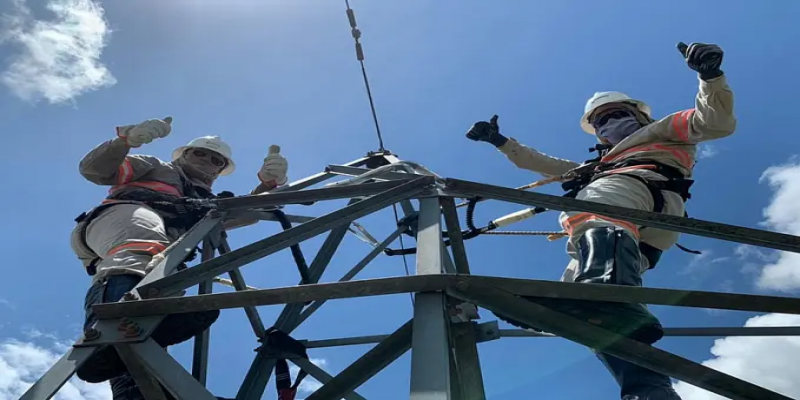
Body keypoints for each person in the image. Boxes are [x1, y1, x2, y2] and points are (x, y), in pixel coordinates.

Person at [464, 42, 735, 400]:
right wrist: (500, 141)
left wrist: (710, 77)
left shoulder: (665, 130)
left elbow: (714, 121)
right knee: (586, 309)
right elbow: (543, 164)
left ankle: (604, 299)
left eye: (616, 114)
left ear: (638, 114)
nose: (608, 123)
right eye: (600, 121)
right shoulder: (597, 165)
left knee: (592, 219)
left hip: (639, 192)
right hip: (642, 230)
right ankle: (648, 390)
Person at [70, 116, 289, 399]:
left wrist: (268, 188)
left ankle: (139, 387)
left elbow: (248, 214)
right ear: (183, 154)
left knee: (151, 314)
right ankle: (104, 331)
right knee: (143, 243)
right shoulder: (155, 166)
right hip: (119, 220)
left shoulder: (205, 203)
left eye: (216, 160)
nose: (206, 160)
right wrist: (124, 142)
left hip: (152, 257)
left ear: (220, 170)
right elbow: (95, 170)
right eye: (199, 153)